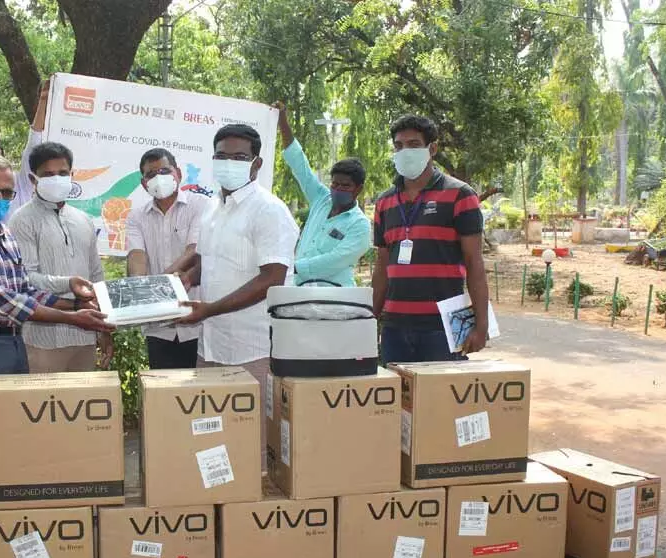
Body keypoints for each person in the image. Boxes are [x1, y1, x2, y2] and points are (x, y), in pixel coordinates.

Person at [0, 154, 114, 488]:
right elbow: (4, 300)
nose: (0, 199)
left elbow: (25, 290)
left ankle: (15, 506)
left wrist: (74, 298)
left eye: (6, 192)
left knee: (15, 432)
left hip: (11, 340)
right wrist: (74, 317)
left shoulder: (1, 234)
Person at [180, 124, 299, 467]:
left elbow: (272, 278)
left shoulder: (269, 210)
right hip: (211, 345)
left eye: (239, 157)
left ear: (256, 164)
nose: (229, 163)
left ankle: (251, 513)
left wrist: (209, 309)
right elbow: (207, 261)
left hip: (253, 348)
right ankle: (220, 506)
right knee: (213, 436)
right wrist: (183, 281)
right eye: (222, 156)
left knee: (254, 443)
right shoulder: (213, 208)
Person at [371, 114, 488, 364]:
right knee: (397, 402)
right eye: (399, 146)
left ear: (432, 149)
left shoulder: (460, 195)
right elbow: (381, 267)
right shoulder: (384, 202)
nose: (405, 151)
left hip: (443, 327)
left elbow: (474, 264)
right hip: (394, 327)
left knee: (441, 401)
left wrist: (481, 324)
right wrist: (371, 318)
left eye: (414, 145)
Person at [8, 142, 112, 373]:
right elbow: (26, 279)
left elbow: (96, 276)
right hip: (43, 341)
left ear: (72, 175)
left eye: (63, 173)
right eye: (48, 174)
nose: (57, 179)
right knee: (46, 407)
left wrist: (103, 329)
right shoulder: (22, 221)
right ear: (33, 180)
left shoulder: (83, 219)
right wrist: (68, 283)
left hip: (85, 336)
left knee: (82, 405)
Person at [125, 147, 214, 369]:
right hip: (159, 326)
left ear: (178, 174)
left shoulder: (200, 205)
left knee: (199, 394)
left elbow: (193, 251)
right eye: (151, 174)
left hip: (197, 322)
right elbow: (137, 255)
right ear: (144, 183)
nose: (158, 178)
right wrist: (138, 286)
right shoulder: (136, 217)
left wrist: (157, 284)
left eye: (165, 170)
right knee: (163, 393)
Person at [274, 102, 371, 287]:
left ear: (358, 189)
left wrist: (293, 268)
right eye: (335, 183)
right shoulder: (321, 199)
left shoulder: (360, 225)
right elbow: (299, 163)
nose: (338, 189)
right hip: (300, 290)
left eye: (345, 185)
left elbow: (335, 260)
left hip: (334, 299)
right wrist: (282, 121)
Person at [0, 81, 53, 219]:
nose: (0, 196)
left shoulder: (20, 183)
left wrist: (44, 100)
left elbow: (34, 144)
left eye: (7, 193)